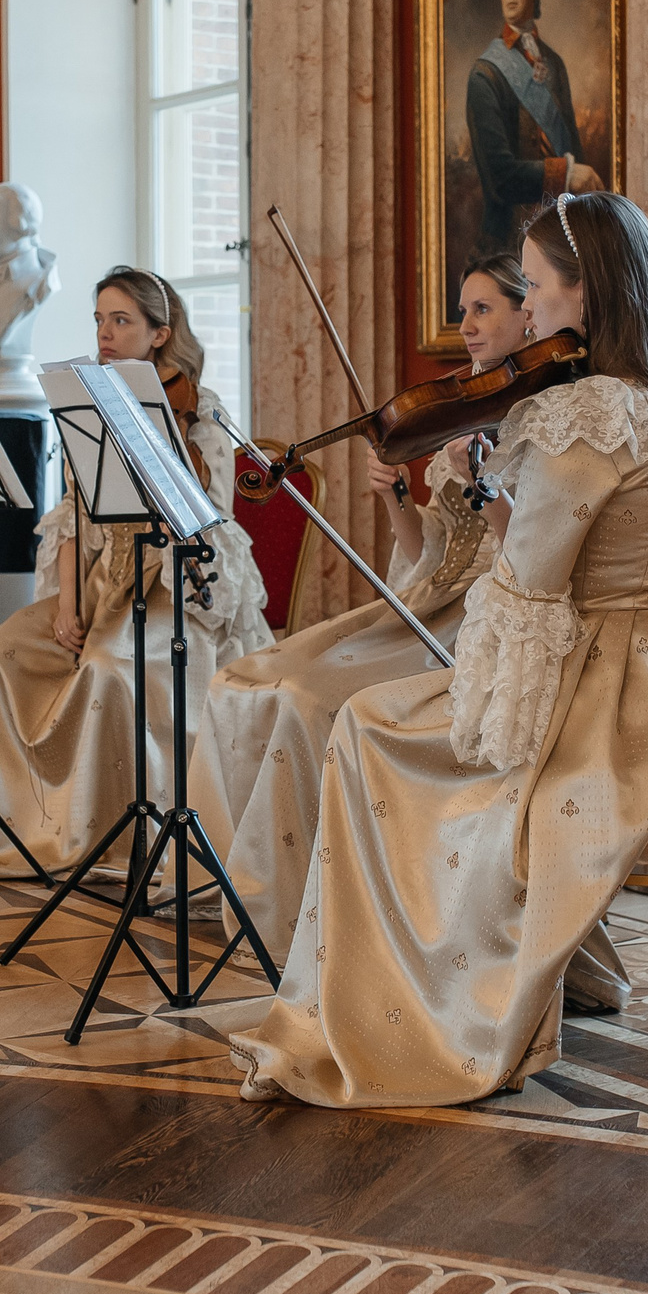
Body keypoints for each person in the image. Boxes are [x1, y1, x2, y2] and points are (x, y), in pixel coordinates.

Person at [228, 192, 648, 1107]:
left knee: (364, 726)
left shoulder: (593, 408)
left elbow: (528, 582)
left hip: (618, 694)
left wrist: (479, 703)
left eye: (540, 289)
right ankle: (470, 981)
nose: (533, 313)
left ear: (584, 295)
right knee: (374, 716)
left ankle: (414, 1015)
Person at [191, 254, 531, 964]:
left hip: (485, 614)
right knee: (251, 678)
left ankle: (322, 913)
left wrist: (488, 489)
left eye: (482, 309)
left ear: (528, 314)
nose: (465, 325)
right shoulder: (458, 408)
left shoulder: (539, 425)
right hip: (426, 597)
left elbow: (528, 560)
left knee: (311, 699)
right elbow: (424, 550)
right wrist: (394, 496)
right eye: (462, 309)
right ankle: (253, 890)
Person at [0, 267, 273, 879]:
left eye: (121, 320)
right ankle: (37, 830)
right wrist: (64, 608)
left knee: (107, 669)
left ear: (160, 334)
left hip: (175, 585)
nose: (105, 333)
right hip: (105, 578)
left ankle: (113, 838)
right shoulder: (90, 405)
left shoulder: (202, 409)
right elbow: (77, 516)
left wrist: (169, 444)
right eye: (100, 320)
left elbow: (208, 518)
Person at [465, 0, 602, 261]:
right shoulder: (485, 75)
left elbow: (573, 149)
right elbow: (500, 179)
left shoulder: (554, 64)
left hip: (559, 241)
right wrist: (566, 174)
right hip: (510, 253)